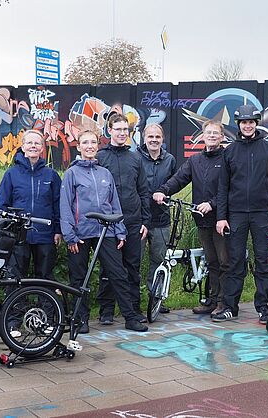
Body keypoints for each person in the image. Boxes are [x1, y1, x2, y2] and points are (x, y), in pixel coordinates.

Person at [60, 130, 148, 333]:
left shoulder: (104, 173)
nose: (90, 146)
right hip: (80, 233)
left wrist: (120, 231)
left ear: (98, 146)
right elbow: (65, 206)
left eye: (93, 142)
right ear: (79, 147)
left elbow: (114, 204)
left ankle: (130, 317)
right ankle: (80, 319)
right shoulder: (72, 173)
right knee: (79, 277)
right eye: (85, 143)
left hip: (105, 231)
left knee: (118, 273)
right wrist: (69, 235)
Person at [213, 104, 268, 324]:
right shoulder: (229, 151)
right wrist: (221, 217)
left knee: (263, 261)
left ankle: (263, 307)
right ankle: (229, 307)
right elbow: (222, 187)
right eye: (244, 122)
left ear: (256, 123)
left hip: (262, 213)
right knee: (235, 262)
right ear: (239, 124)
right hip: (236, 214)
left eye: (251, 122)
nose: (248, 125)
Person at [153, 120, 229, 315]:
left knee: (224, 261)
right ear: (202, 136)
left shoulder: (227, 158)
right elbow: (179, 179)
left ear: (222, 137)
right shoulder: (195, 161)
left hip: (221, 219)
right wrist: (163, 191)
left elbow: (229, 189)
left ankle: (224, 303)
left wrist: (212, 204)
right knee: (211, 261)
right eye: (208, 133)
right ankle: (212, 300)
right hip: (201, 219)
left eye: (215, 133)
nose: (211, 136)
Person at [95, 114, 151, 325]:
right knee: (109, 268)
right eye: (117, 129)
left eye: (125, 130)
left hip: (133, 222)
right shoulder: (100, 157)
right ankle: (106, 311)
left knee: (132, 268)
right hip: (107, 223)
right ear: (109, 131)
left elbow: (144, 191)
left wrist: (145, 220)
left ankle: (134, 310)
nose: (121, 133)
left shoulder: (136, 158)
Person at [0, 129, 62, 279]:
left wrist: (58, 230)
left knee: (45, 276)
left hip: (45, 233)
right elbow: (2, 204)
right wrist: (5, 230)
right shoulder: (11, 174)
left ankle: (46, 303)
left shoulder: (51, 175)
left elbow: (58, 204)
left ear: (42, 148)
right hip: (18, 234)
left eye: (37, 143)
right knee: (15, 277)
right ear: (23, 146)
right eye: (30, 142)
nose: (33, 146)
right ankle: (16, 303)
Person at [138, 123, 176, 313]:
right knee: (134, 262)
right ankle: (133, 302)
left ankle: (155, 300)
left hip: (161, 219)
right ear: (144, 138)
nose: (154, 140)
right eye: (150, 136)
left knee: (158, 261)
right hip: (139, 220)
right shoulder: (135, 157)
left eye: (157, 137)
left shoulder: (169, 159)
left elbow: (175, 183)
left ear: (163, 139)